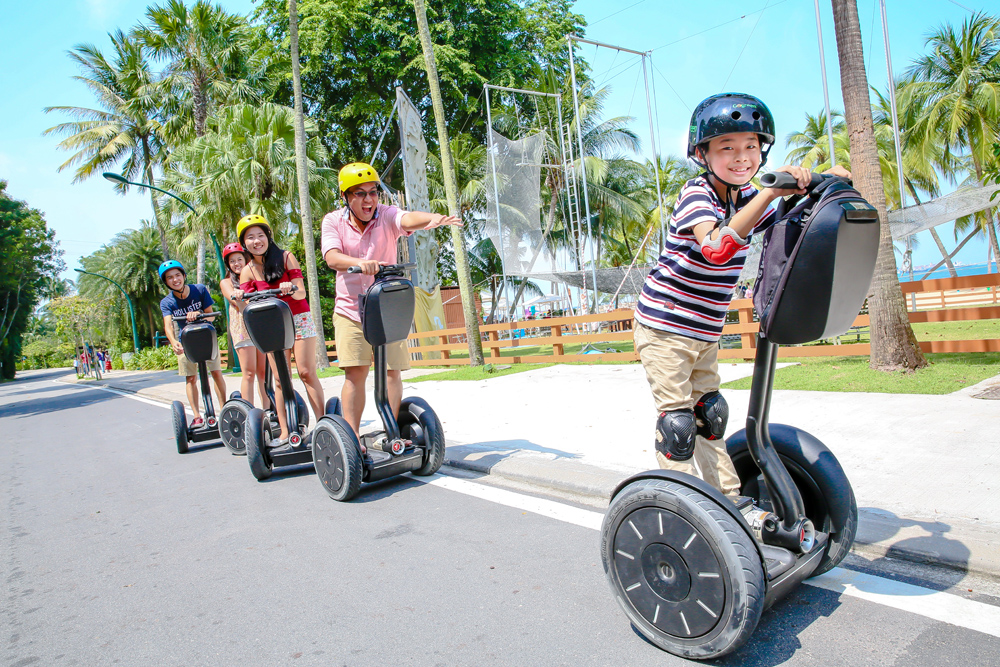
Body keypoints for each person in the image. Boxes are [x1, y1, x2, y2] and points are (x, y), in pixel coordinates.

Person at [633, 93, 850, 499]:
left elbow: (794, 212)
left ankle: (730, 503)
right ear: (703, 154)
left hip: (704, 331)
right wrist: (770, 192)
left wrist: (822, 179)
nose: (741, 157)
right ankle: (684, 506)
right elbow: (716, 247)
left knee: (710, 416)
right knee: (678, 426)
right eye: (727, 147)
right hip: (664, 327)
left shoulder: (750, 199)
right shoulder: (696, 194)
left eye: (750, 146)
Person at [321, 162, 462, 444]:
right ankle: (352, 439)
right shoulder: (333, 221)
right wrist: (360, 264)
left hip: (385, 308)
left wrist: (431, 218)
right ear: (346, 197)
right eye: (360, 194)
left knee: (391, 371)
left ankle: (392, 433)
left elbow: (405, 219)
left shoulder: (385, 214)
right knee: (356, 373)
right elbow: (332, 257)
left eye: (373, 192)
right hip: (350, 310)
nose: (369, 200)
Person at [237, 214, 324, 445]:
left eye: (260, 235)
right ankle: (286, 431)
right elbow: (247, 307)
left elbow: (302, 292)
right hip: (271, 324)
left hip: (298, 318)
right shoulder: (247, 271)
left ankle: (323, 424)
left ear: (268, 236)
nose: (256, 241)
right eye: (250, 238)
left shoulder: (286, 257)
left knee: (306, 372)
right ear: (244, 243)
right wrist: (239, 297)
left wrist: (290, 288)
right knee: (279, 379)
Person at [159, 259, 227, 426]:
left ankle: (225, 410)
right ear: (166, 282)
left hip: (206, 338)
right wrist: (173, 341)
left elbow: (210, 315)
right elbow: (168, 325)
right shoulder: (167, 302)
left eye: (177, 275)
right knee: (191, 378)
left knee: (216, 373)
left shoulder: (200, 290)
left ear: (183, 275)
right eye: (170, 278)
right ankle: (197, 416)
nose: (175, 280)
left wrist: (199, 314)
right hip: (186, 342)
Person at [220, 242, 270, 410]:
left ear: (246, 259)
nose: (236, 264)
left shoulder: (254, 277)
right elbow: (238, 304)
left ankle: (268, 410)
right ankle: (249, 413)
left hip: (260, 327)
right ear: (228, 264)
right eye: (232, 261)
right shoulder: (226, 282)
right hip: (243, 328)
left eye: (239, 259)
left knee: (263, 373)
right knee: (248, 373)